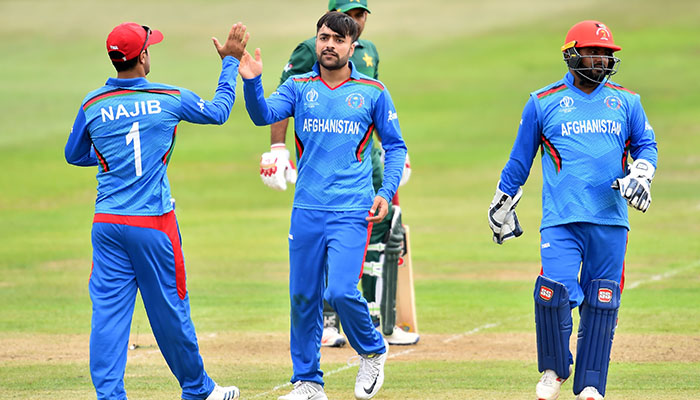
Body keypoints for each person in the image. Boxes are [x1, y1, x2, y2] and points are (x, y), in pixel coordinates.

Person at [64, 21, 249, 400]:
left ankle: (110, 396)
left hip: (107, 223)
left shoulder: (92, 103)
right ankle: (198, 389)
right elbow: (219, 111)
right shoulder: (169, 97)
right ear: (143, 56)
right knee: (170, 309)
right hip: (154, 224)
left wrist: (109, 159)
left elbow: (73, 154)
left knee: (108, 316)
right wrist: (230, 62)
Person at [239, 11, 407, 400]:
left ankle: (371, 350)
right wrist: (251, 82)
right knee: (303, 296)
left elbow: (395, 147)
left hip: (352, 208)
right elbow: (262, 114)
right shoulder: (298, 86)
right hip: (308, 208)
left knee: (341, 292)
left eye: (337, 39)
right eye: (323, 37)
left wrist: (386, 192)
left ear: (352, 46)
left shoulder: (373, 92)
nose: (328, 44)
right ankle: (309, 383)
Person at [488, 20, 657, 400]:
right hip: (561, 219)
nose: (600, 59)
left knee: (602, 300)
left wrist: (641, 176)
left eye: (606, 54)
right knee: (554, 292)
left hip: (611, 219)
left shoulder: (627, 101)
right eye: (593, 52)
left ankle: (592, 384)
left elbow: (647, 145)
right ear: (571, 54)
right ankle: (553, 369)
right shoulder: (543, 101)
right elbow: (520, 160)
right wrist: (502, 201)